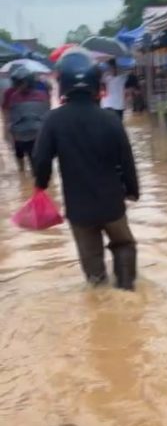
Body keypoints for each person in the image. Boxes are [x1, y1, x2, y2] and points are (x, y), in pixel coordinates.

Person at [33, 49, 139, 291]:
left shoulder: (53, 120)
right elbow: (127, 160)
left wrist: (40, 186)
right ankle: (126, 290)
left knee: (93, 267)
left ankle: (100, 299)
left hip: (79, 209)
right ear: (95, 84)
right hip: (112, 204)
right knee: (123, 245)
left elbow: (41, 160)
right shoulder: (111, 119)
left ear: (63, 85)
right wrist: (132, 190)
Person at [6, 66, 50, 173]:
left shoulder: (41, 95)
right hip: (21, 135)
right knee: (19, 155)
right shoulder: (13, 96)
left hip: (35, 135)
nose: (19, 86)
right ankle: (22, 175)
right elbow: (11, 117)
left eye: (21, 83)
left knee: (36, 164)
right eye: (17, 83)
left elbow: (47, 115)